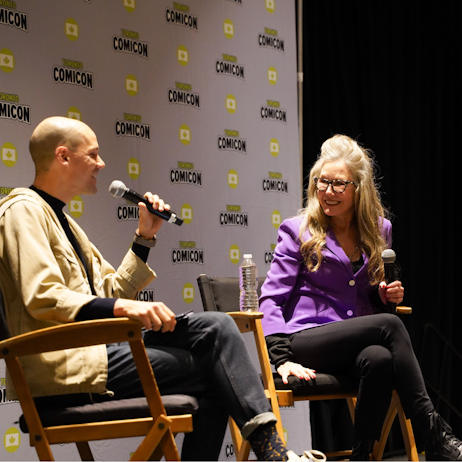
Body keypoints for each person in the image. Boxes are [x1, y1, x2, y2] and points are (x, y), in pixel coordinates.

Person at [0, 116, 314, 461]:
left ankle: (274, 454)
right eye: (93, 155)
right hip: (66, 370)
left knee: (217, 325)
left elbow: (109, 292)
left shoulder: (65, 221)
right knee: (215, 372)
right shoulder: (21, 210)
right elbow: (43, 295)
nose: (102, 164)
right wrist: (126, 309)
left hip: (99, 353)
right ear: (63, 156)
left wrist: (145, 236)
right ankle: (275, 454)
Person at [259, 134, 462, 461]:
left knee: (380, 359)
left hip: (354, 341)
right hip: (306, 341)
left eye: (338, 185)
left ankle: (363, 455)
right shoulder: (297, 230)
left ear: (359, 188)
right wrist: (281, 359)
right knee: (389, 325)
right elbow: (269, 298)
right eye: (321, 182)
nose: (327, 191)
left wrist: (386, 296)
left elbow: (371, 298)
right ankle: (435, 436)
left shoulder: (379, 229)